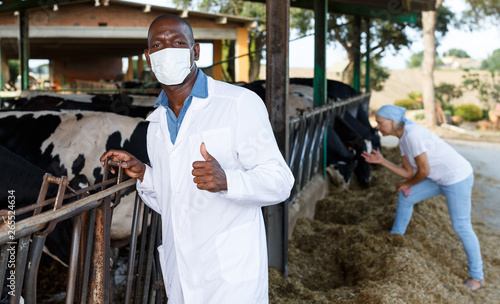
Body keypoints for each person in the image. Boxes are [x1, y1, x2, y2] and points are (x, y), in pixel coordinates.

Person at [100, 14, 294, 303]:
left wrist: (227, 180)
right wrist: (144, 174)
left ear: (196, 51)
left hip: (230, 274)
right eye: (158, 45)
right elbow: (171, 202)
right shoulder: (155, 124)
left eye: (178, 42)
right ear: (148, 56)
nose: (167, 51)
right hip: (182, 273)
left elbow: (281, 181)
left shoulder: (239, 103)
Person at [361, 105, 485, 291]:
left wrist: (408, 183)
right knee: (406, 196)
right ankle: (394, 240)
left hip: (457, 178)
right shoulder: (403, 138)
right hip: (438, 178)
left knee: (461, 225)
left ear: (393, 122)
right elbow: (408, 171)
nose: (377, 127)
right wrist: (382, 161)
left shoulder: (413, 135)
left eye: (379, 122)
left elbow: (423, 171)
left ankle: (478, 277)